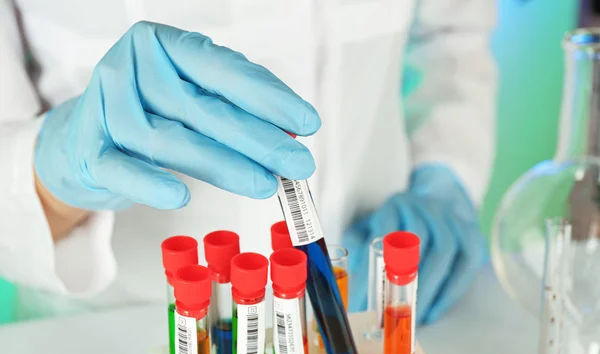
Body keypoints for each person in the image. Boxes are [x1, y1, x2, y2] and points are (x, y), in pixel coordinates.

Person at [0, 1, 496, 323]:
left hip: (375, 301)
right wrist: (53, 167)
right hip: (112, 330)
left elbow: (454, 36)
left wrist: (445, 173)